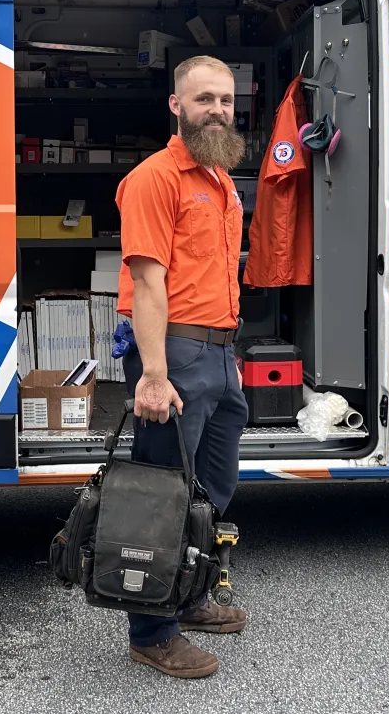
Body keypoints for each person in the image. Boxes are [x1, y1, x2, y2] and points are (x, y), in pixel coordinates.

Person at [113, 54, 250, 679]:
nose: (217, 109)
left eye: (225, 99)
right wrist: (154, 373)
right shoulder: (155, 178)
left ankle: (188, 595)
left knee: (212, 490)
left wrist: (227, 356)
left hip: (219, 353)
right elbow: (147, 284)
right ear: (176, 106)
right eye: (204, 100)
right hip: (175, 354)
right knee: (162, 498)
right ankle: (151, 632)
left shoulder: (220, 180)